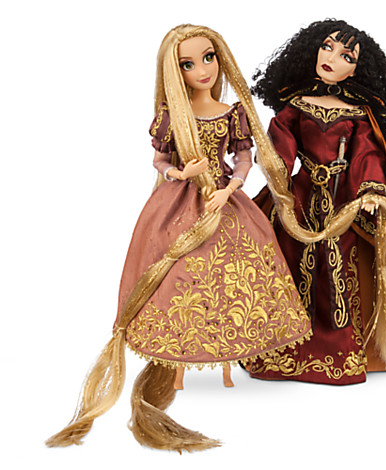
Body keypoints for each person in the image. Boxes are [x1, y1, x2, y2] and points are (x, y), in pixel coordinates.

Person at [45, 24, 311, 453]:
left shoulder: (232, 113)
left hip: (224, 202)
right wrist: (179, 173)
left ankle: (227, 358)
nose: (202, 70)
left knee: (232, 277)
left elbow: (244, 158)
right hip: (179, 204)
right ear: (175, 70)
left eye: (208, 58)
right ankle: (178, 360)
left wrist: (230, 186)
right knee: (181, 279)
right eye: (188, 64)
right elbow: (159, 160)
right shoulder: (172, 115)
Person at [248, 19, 386, 385]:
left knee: (337, 275)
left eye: (346, 56)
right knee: (291, 266)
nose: (332, 58)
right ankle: (284, 347)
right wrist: (275, 166)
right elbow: (281, 143)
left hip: (341, 204)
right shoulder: (297, 105)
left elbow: (366, 155)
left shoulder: (357, 113)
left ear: (357, 70)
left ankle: (337, 350)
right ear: (312, 50)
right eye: (327, 47)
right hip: (299, 201)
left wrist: (370, 190)